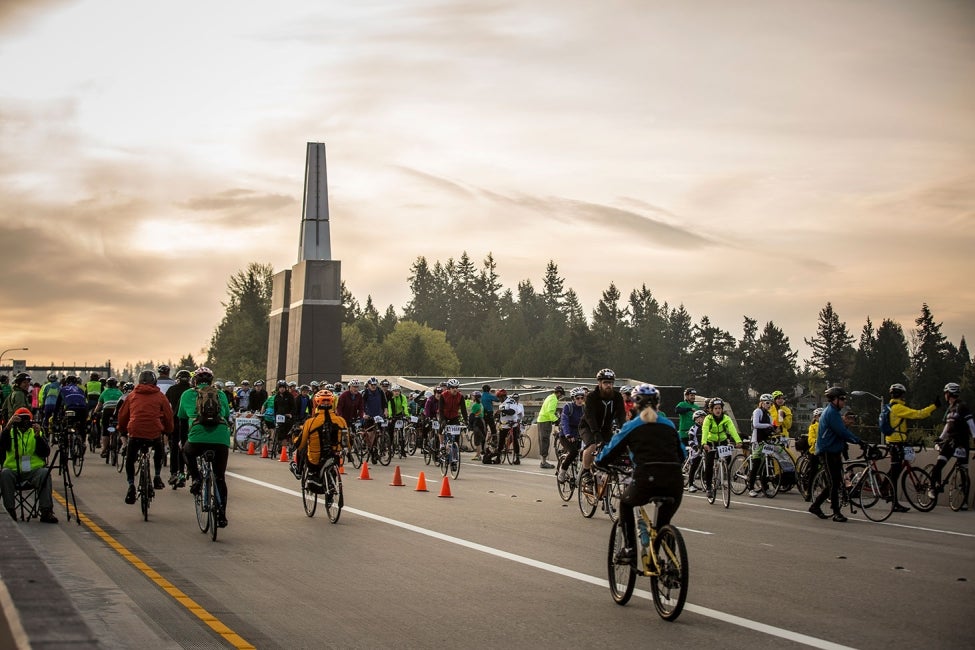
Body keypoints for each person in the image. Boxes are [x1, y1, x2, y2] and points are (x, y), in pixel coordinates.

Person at [594, 384, 683, 564]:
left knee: (626, 504)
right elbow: (682, 454)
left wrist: (599, 462)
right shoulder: (669, 425)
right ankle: (666, 562)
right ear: (658, 404)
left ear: (634, 404)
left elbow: (611, 450)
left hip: (646, 478)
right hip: (674, 480)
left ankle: (630, 549)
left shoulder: (632, 425)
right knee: (663, 523)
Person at [178, 366, 232, 528]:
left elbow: (181, 419)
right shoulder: (220, 394)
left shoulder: (187, 394)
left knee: (187, 451)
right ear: (211, 381)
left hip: (197, 437)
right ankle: (222, 515)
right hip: (221, 437)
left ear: (195, 380)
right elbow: (227, 414)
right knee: (220, 477)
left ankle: (196, 478)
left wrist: (183, 440)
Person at [117, 370, 173, 504]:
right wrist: (168, 430)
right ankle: (157, 476)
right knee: (159, 452)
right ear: (154, 382)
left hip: (135, 431)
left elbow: (123, 415)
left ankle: (131, 484)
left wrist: (122, 430)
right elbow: (168, 415)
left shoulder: (132, 395)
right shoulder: (160, 396)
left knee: (130, 459)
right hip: (154, 431)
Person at [809, 387, 863, 522]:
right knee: (834, 482)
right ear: (835, 399)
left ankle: (815, 506)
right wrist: (859, 441)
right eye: (842, 399)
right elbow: (842, 432)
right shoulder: (831, 413)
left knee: (836, 482)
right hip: (827, 451)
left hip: (834, 450)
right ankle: (836, 512)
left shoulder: (834, 412)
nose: (844, 401)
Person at [885, 383, 937, 513]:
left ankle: (884, 487)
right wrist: (934, 406)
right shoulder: (898, 408)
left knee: (894, 471)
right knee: (895, 474)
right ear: (901, 395)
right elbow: (918, 414)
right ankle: (894, 503)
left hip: (895, 442)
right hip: (896, 443)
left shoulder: (891, 407)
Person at [0, 408, 58, 523]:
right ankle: (10, 510)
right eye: (21, 419)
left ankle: (46, 511)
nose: (24, 423)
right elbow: (2, 446)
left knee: (44, 473)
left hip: (33, 471)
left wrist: (38, 436)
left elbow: (45, 452)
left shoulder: (36, 432)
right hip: (13, 470)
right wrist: (8, 425)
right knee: (5, 474)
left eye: (27, 420)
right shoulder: (9, 432)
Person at [292, 390, 347, 494]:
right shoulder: (341, 421)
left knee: (302, 449)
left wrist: (294, 436)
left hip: (315, 460)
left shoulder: (310, 422)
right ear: (332, 403)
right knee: (333, 464)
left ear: (316, 403)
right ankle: (331, 489)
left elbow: (300, 444)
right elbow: (347, 442)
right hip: (335, 456)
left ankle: (299, 472)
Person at [928, 382, 973, 507]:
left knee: (940, 464)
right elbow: (948, 427)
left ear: (948, 394)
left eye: (945, 393)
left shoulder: (961, 407)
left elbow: (971, 424)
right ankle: (963, 502)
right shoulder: (951, 409)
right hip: (962, 442)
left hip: (955, 441)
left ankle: (932, 488)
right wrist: (940, 438)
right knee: (963, 469)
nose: (945, 395)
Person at [579, 369, 626, 484]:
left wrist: (625, 430)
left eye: (611, 383)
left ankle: (604, 477)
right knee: (593, 445)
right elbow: (590, 417)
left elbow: (621, 415)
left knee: (613, 448)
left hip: (605, 428)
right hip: (588, 427)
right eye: (605, 382)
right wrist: (596, 434)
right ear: (599, 383)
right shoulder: (591, 397)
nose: (608, 385)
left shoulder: (617, 397)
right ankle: (585, 473)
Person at [699, 400, 742, 499]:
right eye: (716, 408)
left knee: (728, 458)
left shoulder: (726, 418)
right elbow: (704, 431)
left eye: (720, 408)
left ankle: (721, 468)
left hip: (722, 441)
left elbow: (732, 430)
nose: (718, 410)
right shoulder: (708, 419)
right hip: (710, 442)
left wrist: (738, 441)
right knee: (709, 464)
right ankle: (709, 487)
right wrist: (704, 443)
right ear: (711, 410)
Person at [746, 393, 778, 497]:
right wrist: (769, 425)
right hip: (756, 440)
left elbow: (771, 427)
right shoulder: (757, 411)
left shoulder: (768, 415)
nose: (769, 405)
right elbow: (756, 424)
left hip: (765, 441)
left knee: (765, 464)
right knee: (756, 464)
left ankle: (765, 487)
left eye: (771, 404)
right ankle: (750, 488)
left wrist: (774, 430)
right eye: (767, 403)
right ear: (762, 403)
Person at [167, 370, 192, 488]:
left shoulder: (172, 390)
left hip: (176, 421)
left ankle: (174, 473)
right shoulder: (192, 390)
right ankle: (187, 471)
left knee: (175, 448)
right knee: (189, 447)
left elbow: (166, 406)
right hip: (191, 423)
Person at [556, 388, 586, 481]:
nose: (580, 400)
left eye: (582, 398)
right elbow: (564, 421)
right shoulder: (568, 407)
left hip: (579, 434)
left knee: (587, 452)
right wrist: (568, 434)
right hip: (566, 435)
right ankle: (562, 471)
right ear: (573, 398)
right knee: (573, 452)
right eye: (578, 398)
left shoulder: (585, 408)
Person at [536, 386, 564, 470]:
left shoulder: (549, 396)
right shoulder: (554, 399)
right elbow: (550, 412)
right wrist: (557, 420)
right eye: (561, 395)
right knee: (545, 441)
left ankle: (543, 461)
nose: (561, 397)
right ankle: (543, 462)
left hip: (541, 420)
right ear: (558, 393)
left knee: (542, 440)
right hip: (545, 421)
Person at [93, 377, 123, 457]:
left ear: (108, 384)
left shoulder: (104, 392)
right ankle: (119, 442)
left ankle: (104, 449)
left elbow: (99, 405)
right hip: (117, 411)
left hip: (107, 411)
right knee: (119, 427)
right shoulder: (119, 392)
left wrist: (95, 413)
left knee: (105, 430)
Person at [493, 393, 524, 464]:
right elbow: (502, 415)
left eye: (499, 398)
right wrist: (496, 415)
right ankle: (498, 457)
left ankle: (517, 458)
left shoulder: (511, 401)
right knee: (501, 441)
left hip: (512, 424)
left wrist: (502, 411)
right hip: (503, 425)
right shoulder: (501, 404)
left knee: (515, 440)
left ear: (503, 397)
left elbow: (512, 412)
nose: (499, 400)